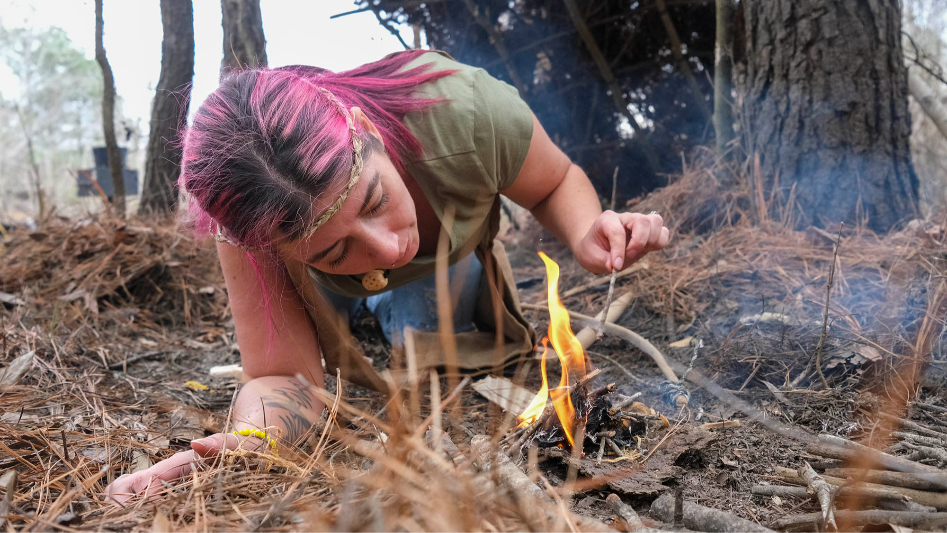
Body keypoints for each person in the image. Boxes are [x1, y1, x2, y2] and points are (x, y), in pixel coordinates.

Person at [105, 50, 669, 503]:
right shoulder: (251, 229)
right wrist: (252, 441)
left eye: (374, 200)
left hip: (448, 260)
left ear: (363, 127)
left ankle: (372, 303)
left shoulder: (466, 110)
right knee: (384, 319)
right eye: (335, 248)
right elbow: (283, 378)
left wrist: (588, 236)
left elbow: (553, 181)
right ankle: (346, 295)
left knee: (420, 336)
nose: (390, 248)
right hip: (323, 297)